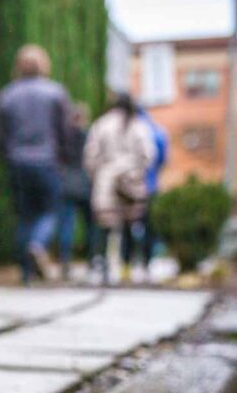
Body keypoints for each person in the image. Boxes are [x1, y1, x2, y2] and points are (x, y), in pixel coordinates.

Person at [0, 44, 70, 284]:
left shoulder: (6, 95)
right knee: (49, 211)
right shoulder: (55, 93)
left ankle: (25, 272)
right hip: (46, 161)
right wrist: (63, 158)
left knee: (24, 215)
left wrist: (8, 158)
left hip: (17, 162)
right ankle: (38, 244)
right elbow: (64, 132)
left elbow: (1, 135)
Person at [84, 93, 155, 285]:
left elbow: (90, 155)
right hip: (131, 181)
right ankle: (129, 267)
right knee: (131, 225)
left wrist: (98, 175)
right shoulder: (139, 126)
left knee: (104, 226)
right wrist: (136, 171)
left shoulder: (101, 124)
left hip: (106, 180)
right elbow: (149, 155)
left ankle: (100, 267)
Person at [119, 108, 168, 282]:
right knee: (149, 228)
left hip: (128, 186)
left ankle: (125, 265)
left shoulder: (125, 130)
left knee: (126, 226)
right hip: (150, 186)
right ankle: (146, 264)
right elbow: (162, 159)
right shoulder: (157, 131)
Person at [57, 102, 99, 280]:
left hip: (66, 185)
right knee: (90, 226)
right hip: (86, 185)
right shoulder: (89, 137)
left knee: (67, 225)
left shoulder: (63, 138)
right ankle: (91, 259)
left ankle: (65, 260)